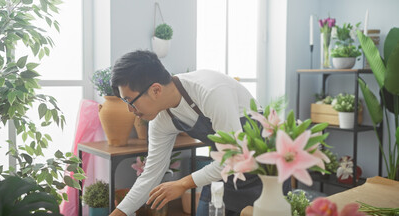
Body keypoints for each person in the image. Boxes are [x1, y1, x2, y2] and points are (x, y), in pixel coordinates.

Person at [109, 50, 290, 216]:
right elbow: (151, 175)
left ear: (156, 89)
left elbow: (234, 156)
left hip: (266, 173)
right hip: (223, 172)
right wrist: (119, 213)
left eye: (130, 101)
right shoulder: (161, 120)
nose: (129, 109)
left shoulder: (210, 92)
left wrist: (182, 183)